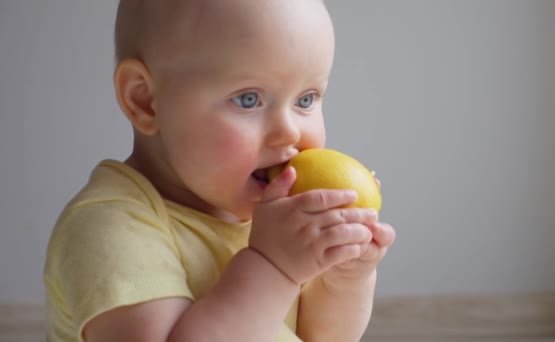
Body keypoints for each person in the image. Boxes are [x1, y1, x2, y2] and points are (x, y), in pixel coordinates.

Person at [44, 0, 396, 341]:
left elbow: (317, 336)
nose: (290, 131)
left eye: (305, 99)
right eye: (248, 99)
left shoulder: (271, 217)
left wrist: (346, 278)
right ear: (146, 101)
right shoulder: (109, 228)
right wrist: (272, 267)